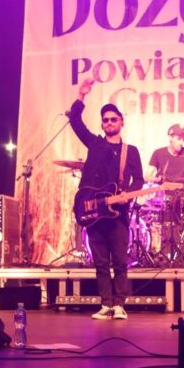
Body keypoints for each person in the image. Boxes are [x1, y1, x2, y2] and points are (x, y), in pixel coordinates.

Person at [69, 78, 144, 320]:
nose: (109, 122)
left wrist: (126, 196)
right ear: (102, 124)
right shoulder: (94, 144)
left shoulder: (130, 151)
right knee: (100, 262)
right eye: (105, 120)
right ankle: (105, 304)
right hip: (93, 211)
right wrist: (81, 95)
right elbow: (75, 121)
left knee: (120, 261)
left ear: (121, 122)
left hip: (117, 213)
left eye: (113, 119)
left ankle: (119, 305)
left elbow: (139, 181)